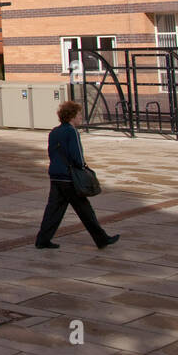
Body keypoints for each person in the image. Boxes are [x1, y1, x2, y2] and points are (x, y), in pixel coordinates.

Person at [35, 100, 120, 250]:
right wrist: (82, 166)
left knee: (54, 209)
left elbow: (51, 153)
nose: (81, 117)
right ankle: (102, 239)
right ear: (72, 116)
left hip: (56, 175)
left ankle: (42, 239)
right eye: (79, 114)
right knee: (85, 210)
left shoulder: (54, 131)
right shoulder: (71, 131)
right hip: (69, 178)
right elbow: (77, 156)